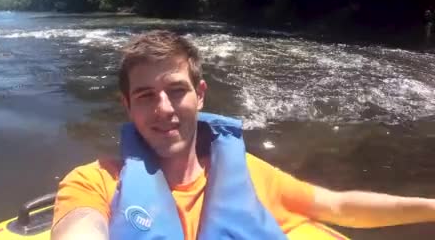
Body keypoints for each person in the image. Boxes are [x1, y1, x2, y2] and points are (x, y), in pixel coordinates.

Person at [51, 30, 435, 239]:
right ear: (127, 106)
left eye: (176, 90)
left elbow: (336, 207)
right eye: (146, 96)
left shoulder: (248, 176)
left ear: (200, 96)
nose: (164, 109)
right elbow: (80, 228)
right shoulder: (95, 181)